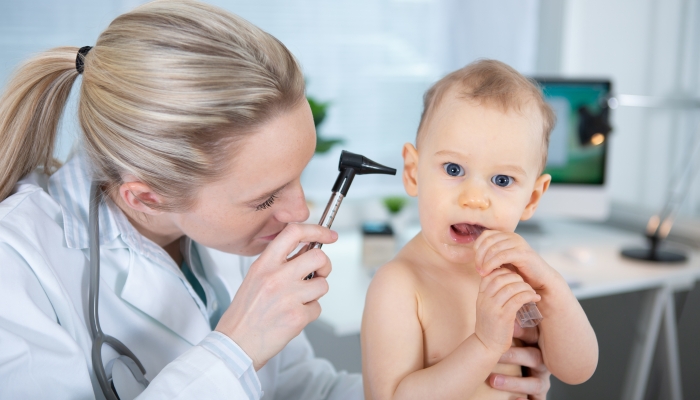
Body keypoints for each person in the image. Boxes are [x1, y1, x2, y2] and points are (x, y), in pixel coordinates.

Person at [0, 0, 553, 398]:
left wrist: (455, 382)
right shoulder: (17, 269)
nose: (299, 213)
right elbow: (241, 366)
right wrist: (233, 348)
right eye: (266, 198)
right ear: (146, 196)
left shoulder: (224, 234)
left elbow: (295, 387)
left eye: (299, 175)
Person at [361, 60, 599, 399]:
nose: (474, 199)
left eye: (502, 180)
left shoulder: (521, 276)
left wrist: (554, 289)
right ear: (413, 173)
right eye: (454, 168)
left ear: (531, 198)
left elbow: (577, 370)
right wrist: (485, 346)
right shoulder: (399, 284)